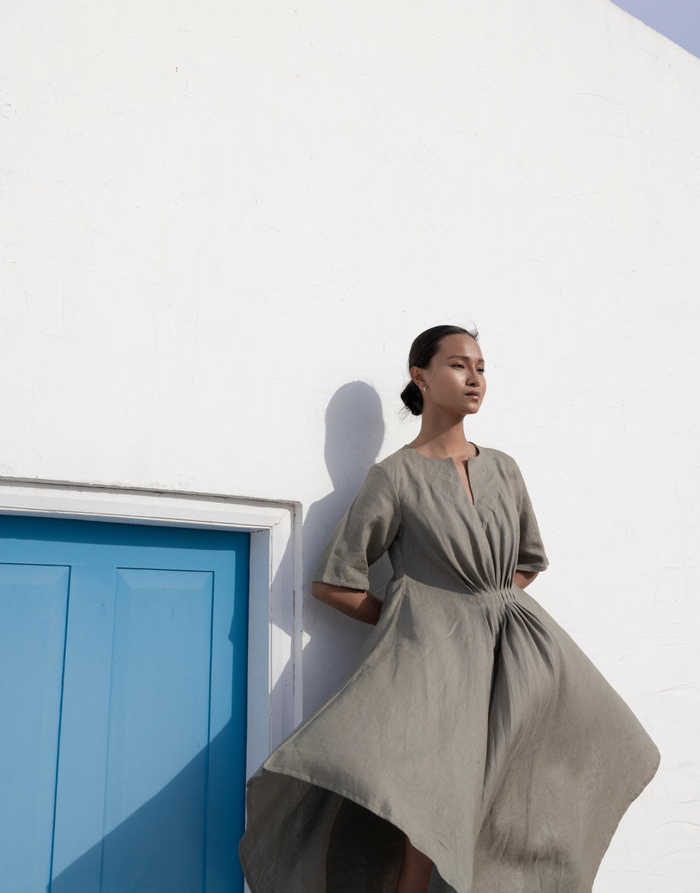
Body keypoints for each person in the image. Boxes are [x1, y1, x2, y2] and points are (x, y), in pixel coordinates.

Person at [240, 324, 660, 893]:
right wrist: (417, 615)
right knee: (427, 794)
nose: (475, 379)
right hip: (433, 666)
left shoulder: (505, 469)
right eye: (460, 365)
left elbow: (528, 560)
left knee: (543, 777)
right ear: (421, 376)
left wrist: (490, 606)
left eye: (481, 368)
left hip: (516, 655)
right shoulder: (395, 476)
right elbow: (335, 583)